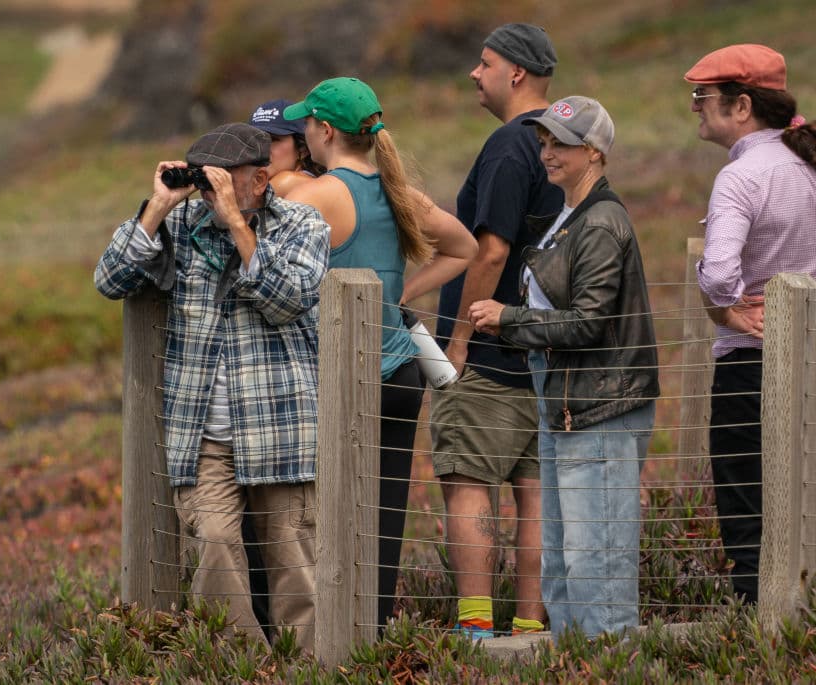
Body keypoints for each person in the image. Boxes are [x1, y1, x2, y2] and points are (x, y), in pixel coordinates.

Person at [93, 122, 330, 650]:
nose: (211, 189)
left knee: (294, 558)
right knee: (215, 547)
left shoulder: (302, 224)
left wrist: (238, 227)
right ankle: (243, 666)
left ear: (260, 179)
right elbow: (109, 280)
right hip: (204, 434)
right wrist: (157, 207)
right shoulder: (181, 226)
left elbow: (289, 299)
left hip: (280, 426)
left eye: (225, 177)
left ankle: (306, 667)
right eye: (205, 178)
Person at [282, 77, 478, 630]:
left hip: (340, 377)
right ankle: (376, 628)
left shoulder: (316, 195)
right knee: (384, 512)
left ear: (325, 131)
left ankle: (330, 634)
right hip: (399, 372)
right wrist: (400, 295)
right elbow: (463, 247)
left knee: (326, 512)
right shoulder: (399, 193)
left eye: (306, 124)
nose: (302, 134)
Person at [469, 96, 660, 639]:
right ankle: (576, 661)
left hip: (599, 407)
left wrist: (509, 319)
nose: (548, 153)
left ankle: (609, 663)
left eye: (563, 144)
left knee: (595, 557)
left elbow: (590, 322)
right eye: (545, 142)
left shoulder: (599, 222)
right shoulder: (568, 216)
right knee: (563, 557)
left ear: (595, 152)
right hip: (566, 404)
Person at [431, 22, 562, 639]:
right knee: (533, 490)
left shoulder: (510, 146)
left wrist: (459, 342)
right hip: (546, 349)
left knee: (468, 483)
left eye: (484, 63)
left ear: (516, 73)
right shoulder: (561, 143)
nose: (473, 73)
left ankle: (477, 628)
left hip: (489, 352)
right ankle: (531, 626)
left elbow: (492, 250)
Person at [684, 44, 816, 604]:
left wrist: (726, 306)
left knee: (747, 505)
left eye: (703, 95)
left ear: (742, 106)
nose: (695, 105)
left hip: (751, 360)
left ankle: (756, 625)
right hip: (811, 352)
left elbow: (718, 277)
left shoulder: (741, 177)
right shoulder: (807, 162)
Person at [249, 98, 326, 196]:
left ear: (302, 149)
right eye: (255, 139)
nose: (260, 148)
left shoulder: (287, 182)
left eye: (273, 139)